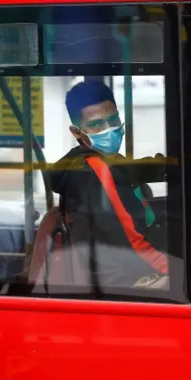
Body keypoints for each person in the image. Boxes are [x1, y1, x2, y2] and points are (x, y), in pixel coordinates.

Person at [49, 80, 170, 287]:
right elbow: (131, 238)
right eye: (96, 125)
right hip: (129, 281)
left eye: (113, 121)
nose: (109, 130)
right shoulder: (96, 170)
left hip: (119, 273)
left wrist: (172, 167)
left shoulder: (99, 161)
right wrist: (174, 270)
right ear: (77, 132)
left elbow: (131, 168)